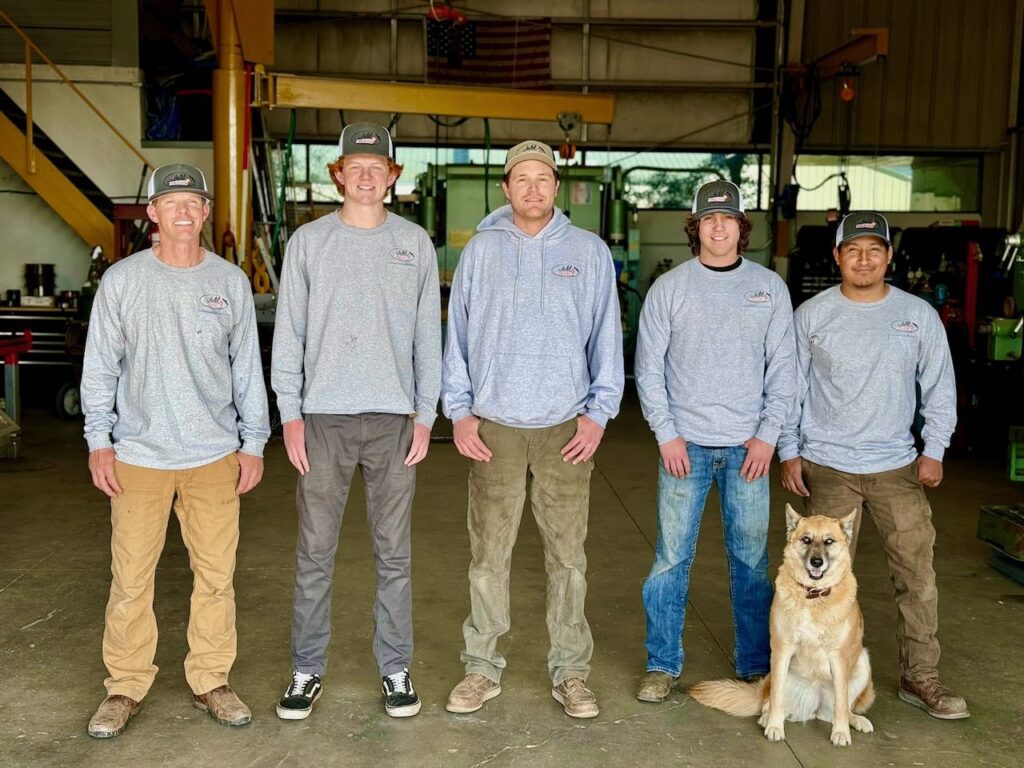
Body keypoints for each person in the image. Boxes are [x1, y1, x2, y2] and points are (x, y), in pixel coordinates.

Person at [81, 163, 270, 738]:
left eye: (194, 202)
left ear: (206, 212)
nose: (184, 211)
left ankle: (211, 679)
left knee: (216, 575)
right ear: (153, 214)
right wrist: (98, 440)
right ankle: (124, 686)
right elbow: (99, 368)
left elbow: (246, 371)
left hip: (214, 455)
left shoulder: (230, 282)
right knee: (131, 578)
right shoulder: (123, 281)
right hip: (139, 455)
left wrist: (255, 442)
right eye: (172, 202)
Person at [441, 139, 624, 719]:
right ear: (506, 188)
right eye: (522, 178)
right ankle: (480, 668)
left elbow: (607, 340)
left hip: (563, 429)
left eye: (543, 177)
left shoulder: (589, 252)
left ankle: (570, 672)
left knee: (568, 556)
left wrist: (598, 414)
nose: (533, 188)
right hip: (495, 426)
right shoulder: (481, 251)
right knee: (488, 555)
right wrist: (461, 410)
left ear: (557, 186)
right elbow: (458, 336)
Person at [271, 122, 441, 720]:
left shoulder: (415, 243)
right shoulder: (309, 243)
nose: (366, 174)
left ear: (393, 177)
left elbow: (428, 336)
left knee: (394, 553)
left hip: (395, 421)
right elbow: (288, 333)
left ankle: (395, 669)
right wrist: (289, 414)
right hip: (323, 420)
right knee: (315, 551)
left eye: (378, 166)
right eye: (355, 166)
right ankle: (306, 669)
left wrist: (426, 415)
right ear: (339, 174)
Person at [778, 211, 968, 720]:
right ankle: (808, 677)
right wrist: (788, 449)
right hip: (828, 465)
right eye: (853, 249)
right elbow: (788, 389)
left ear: (889, 256)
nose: (864, 258)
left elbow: (940, 386)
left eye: (874, 249)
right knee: (818, 581)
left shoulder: (917, 316)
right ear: (837, 256)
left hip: (896, 469)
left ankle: (920, 676)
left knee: (916, 575)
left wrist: (936, 448)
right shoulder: (813, 315)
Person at [633, 179, 796, 703]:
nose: (719, 226)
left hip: (749, 450)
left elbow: (784, 371)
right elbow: (648, 370)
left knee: (751, 561)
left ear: (742, 228)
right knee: (670, 560)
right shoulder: (670, 289)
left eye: (728, 219)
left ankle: (755, 665)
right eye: (709, 219)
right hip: (686, 448)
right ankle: (662, 664)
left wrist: (767, 438)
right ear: (696, 227)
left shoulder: (769, 288)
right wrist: (667, 435)